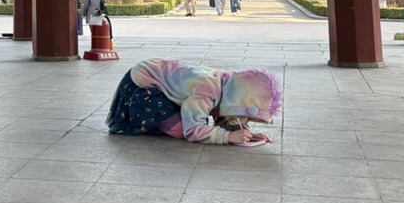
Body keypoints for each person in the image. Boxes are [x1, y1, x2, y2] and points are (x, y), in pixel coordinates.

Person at [107, 58, 281, 144]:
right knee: (179, 130)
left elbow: (228, 110)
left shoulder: (228, 84)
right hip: (142, 82)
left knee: (189, 118)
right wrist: (227, 136)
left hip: (160, 76)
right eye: (245, 117)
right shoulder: (207, 89)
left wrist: (242, 132)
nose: (244, 120)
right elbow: (192, 131)